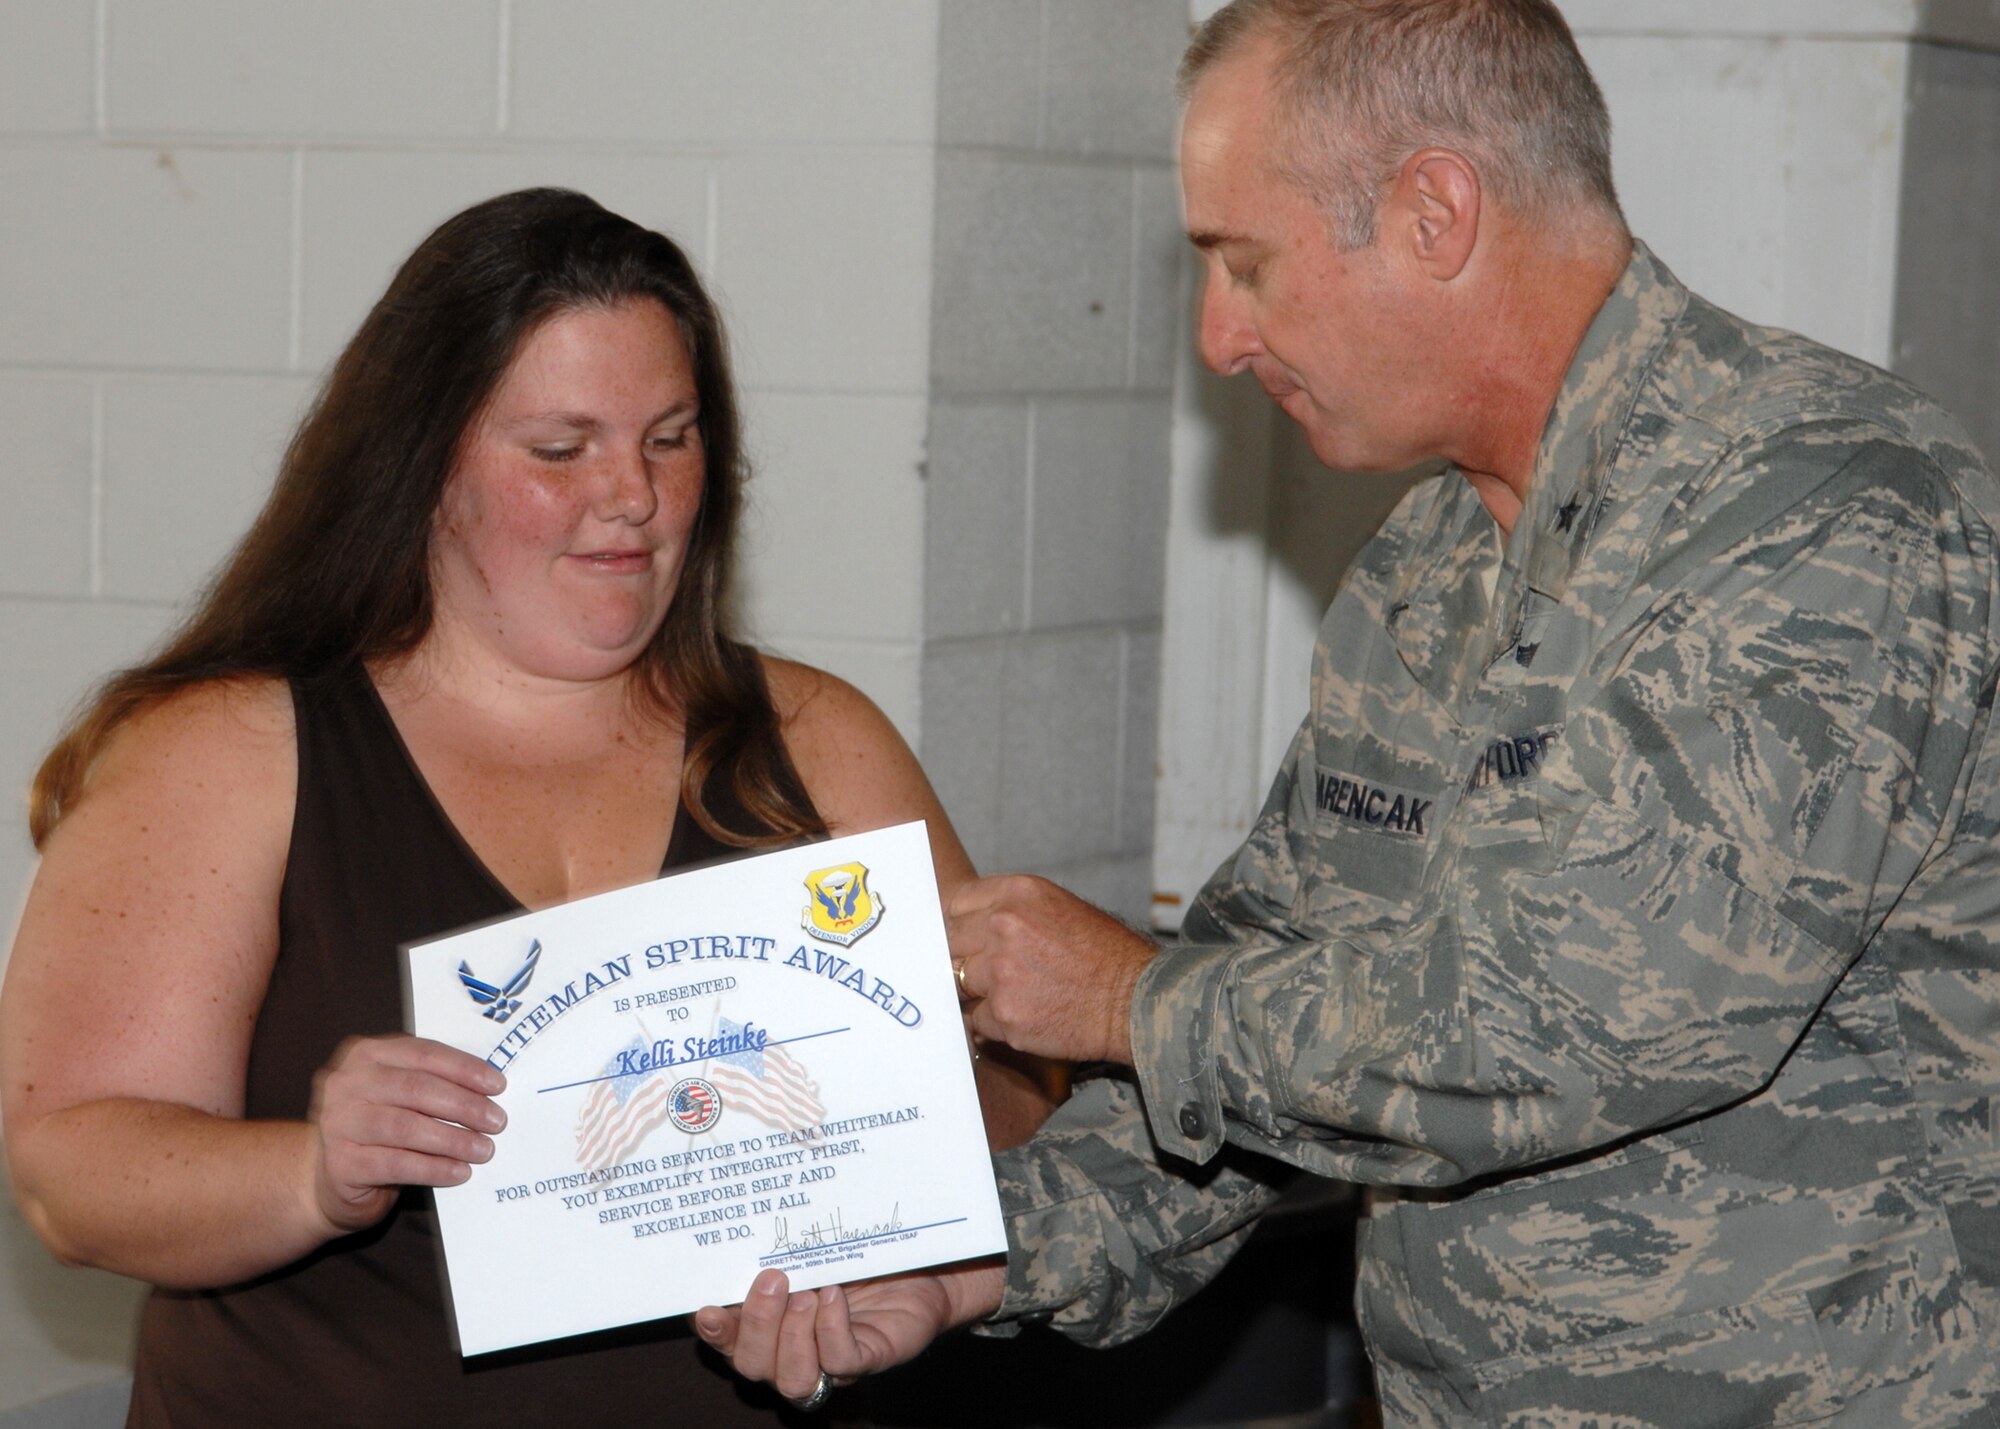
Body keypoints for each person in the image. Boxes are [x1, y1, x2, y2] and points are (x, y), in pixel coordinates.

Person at [699, 2, 2000, 1423]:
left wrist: (1129, 997)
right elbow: (1287, 1008)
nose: (1217, 338)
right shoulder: (1426, 569)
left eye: (1245, 264)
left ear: (1434, 213)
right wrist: (977, 1256)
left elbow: (1570, 1023)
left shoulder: (1818, 511)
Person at [0, 187, 1046, 1425]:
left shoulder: (817, 742)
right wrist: (316, 1171)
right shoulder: (229, 749)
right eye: (561, 450)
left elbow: (1016, 1119)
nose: (635, 496)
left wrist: (890, 1186)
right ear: (427, 468)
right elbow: (70, 1171)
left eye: (671, 436)